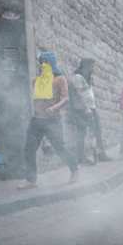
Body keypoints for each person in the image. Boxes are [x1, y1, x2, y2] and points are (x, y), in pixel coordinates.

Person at [18, 52, 79, 189]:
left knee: (59, 148)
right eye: (41, 62)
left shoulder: (59, 79)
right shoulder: (36, 81)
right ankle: (31, 180)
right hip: (37, 120)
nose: (42, 65)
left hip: (52, 120)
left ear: (51, 64)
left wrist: (54, 107)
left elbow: (66, 98)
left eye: (45, 62)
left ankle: (74, 169)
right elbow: (37, 101)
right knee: (29, 149)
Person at [68, 58, 113, 164]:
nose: (93, 69)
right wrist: (86, 108)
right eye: (91, 67)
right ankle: (81, 158)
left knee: (97, 132)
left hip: (91, 108)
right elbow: (78, 94)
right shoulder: (77, 77)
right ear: (85, 67)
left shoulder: (86, 77)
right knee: (82, 133)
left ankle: (101, 154)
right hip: (82, 110)